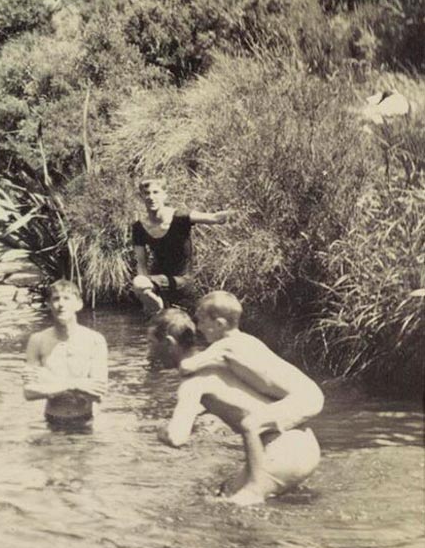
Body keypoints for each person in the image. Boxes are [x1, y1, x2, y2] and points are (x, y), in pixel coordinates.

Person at [149, 308, 321, 505]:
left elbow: (177, 438)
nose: (149, 351)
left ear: (170, 344)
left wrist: (159, 431)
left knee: (220, 512)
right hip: (304, 444)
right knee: (224, 490)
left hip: (282, 455)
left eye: (151, 343)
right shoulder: (221, 363)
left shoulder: (192, 384)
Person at [181, 290, 324, 434]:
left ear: (219, 324)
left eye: (201, 321)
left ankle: (257, 455)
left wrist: (185, 338)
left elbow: (186, 367)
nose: (198, 327)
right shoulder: (247, 340)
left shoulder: (226, 346)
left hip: (304, 399)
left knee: (250, 424)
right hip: (308, 395)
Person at [131, 178, 234, 314]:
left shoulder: (180, 217)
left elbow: (214, 218)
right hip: (157, 281)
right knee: (139, 283)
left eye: (156, 192)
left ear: (164, 195)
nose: (151, 197)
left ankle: (159, 308)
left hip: (182, 280)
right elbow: (141, 264)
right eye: (147, 193)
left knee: (140, 283)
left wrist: (239, 211)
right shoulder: (139, 227)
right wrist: (145, 295)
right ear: (141, 197)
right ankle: (157, 308)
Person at [23, 279, 108, 429]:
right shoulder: (37, 340)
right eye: (56, 299)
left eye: (67, 298)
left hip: (86, 421)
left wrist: (49, 382)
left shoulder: (95, 340)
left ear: (79, 304)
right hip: (52, 421)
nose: (61, 304)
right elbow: (29, 392)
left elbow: (98, 393)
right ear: (49, 305)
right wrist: (76, 384)